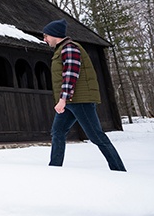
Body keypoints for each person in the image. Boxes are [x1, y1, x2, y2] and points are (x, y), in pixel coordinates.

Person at [42, 18, 126, 172]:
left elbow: (71, 75)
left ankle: (119, 170)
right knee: (58, 132)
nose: (44, 39)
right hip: (71, 101)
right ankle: (54, 169)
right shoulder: (61, 50)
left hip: (80, 100)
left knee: (96, 136)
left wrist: (63, 99)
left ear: (55, 35)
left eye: (46, 35)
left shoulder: (70, 48)